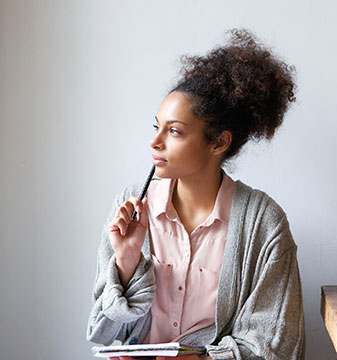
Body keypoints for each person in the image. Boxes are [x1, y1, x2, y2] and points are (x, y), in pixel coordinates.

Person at [86, 29, 305, 360]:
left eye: (174, 131)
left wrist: (203, 359)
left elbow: (275, 345)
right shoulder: (131, 206)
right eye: (156, 126)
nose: (155, 141)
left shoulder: (264, 223)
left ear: (218, 143)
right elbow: (102, 332)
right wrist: (127, 261)